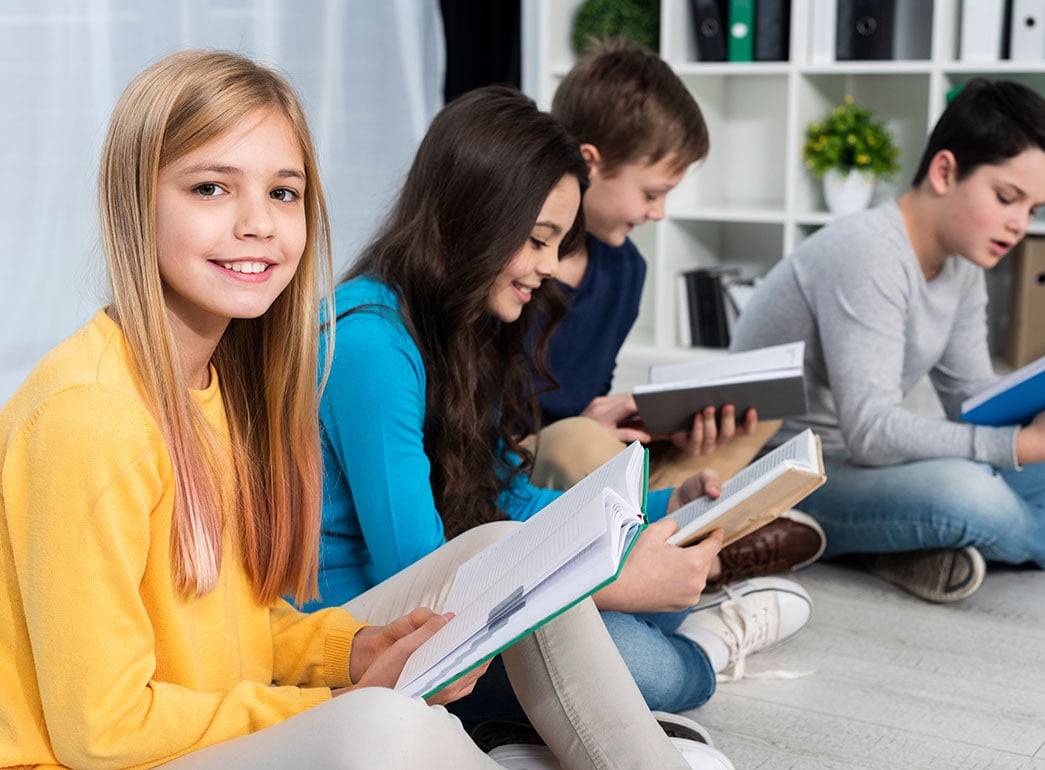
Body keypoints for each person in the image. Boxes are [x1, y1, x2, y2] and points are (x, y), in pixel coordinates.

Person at [0, 49, 730, 770]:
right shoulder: (91, 421)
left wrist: (351, 652)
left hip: (210, 717)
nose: (258, 223)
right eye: (211, 189)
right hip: (110, 758)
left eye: (283, 193)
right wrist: (340, 701)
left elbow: (245, 629)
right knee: (385, 727)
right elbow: (102, 732)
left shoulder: (218, 386)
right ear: (134, 200)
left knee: (493, 555)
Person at [313, 83, 813, 722]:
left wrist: (663, 509)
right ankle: (706, 652)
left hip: (434, 610)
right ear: (476, 218)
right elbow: (421, 576)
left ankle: (633, 657)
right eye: (540, 238)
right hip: (366, 635)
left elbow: (505, 493)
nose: (551, 267)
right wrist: (613, 581)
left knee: (660, 579)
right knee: (652, 667)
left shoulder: (461, 327)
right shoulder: (371, 344)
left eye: (560, 242)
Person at [730, 78, 1045, 603]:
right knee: (972, 496)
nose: (1019, 224)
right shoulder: (867, 251)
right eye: (1007, 198)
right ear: (944, 171)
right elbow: (870, 431)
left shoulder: (963, 262)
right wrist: (1019, 445)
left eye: (1032, 210)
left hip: (868, 465)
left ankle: (902, 544)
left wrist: (1043, 422)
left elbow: (971, 404)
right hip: (793, 470)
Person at [520, 39, 827, 590]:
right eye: (651, 193)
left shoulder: (626, 269)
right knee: (578, 443)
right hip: (520, 464)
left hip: (592, 465)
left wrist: (655, 424)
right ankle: (705, 547)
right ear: (589, 164)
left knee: (756, 417)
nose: (659, 214)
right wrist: (588, 431)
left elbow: (593, 387)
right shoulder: (516, 264)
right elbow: (473, 423)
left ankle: (685, 536)